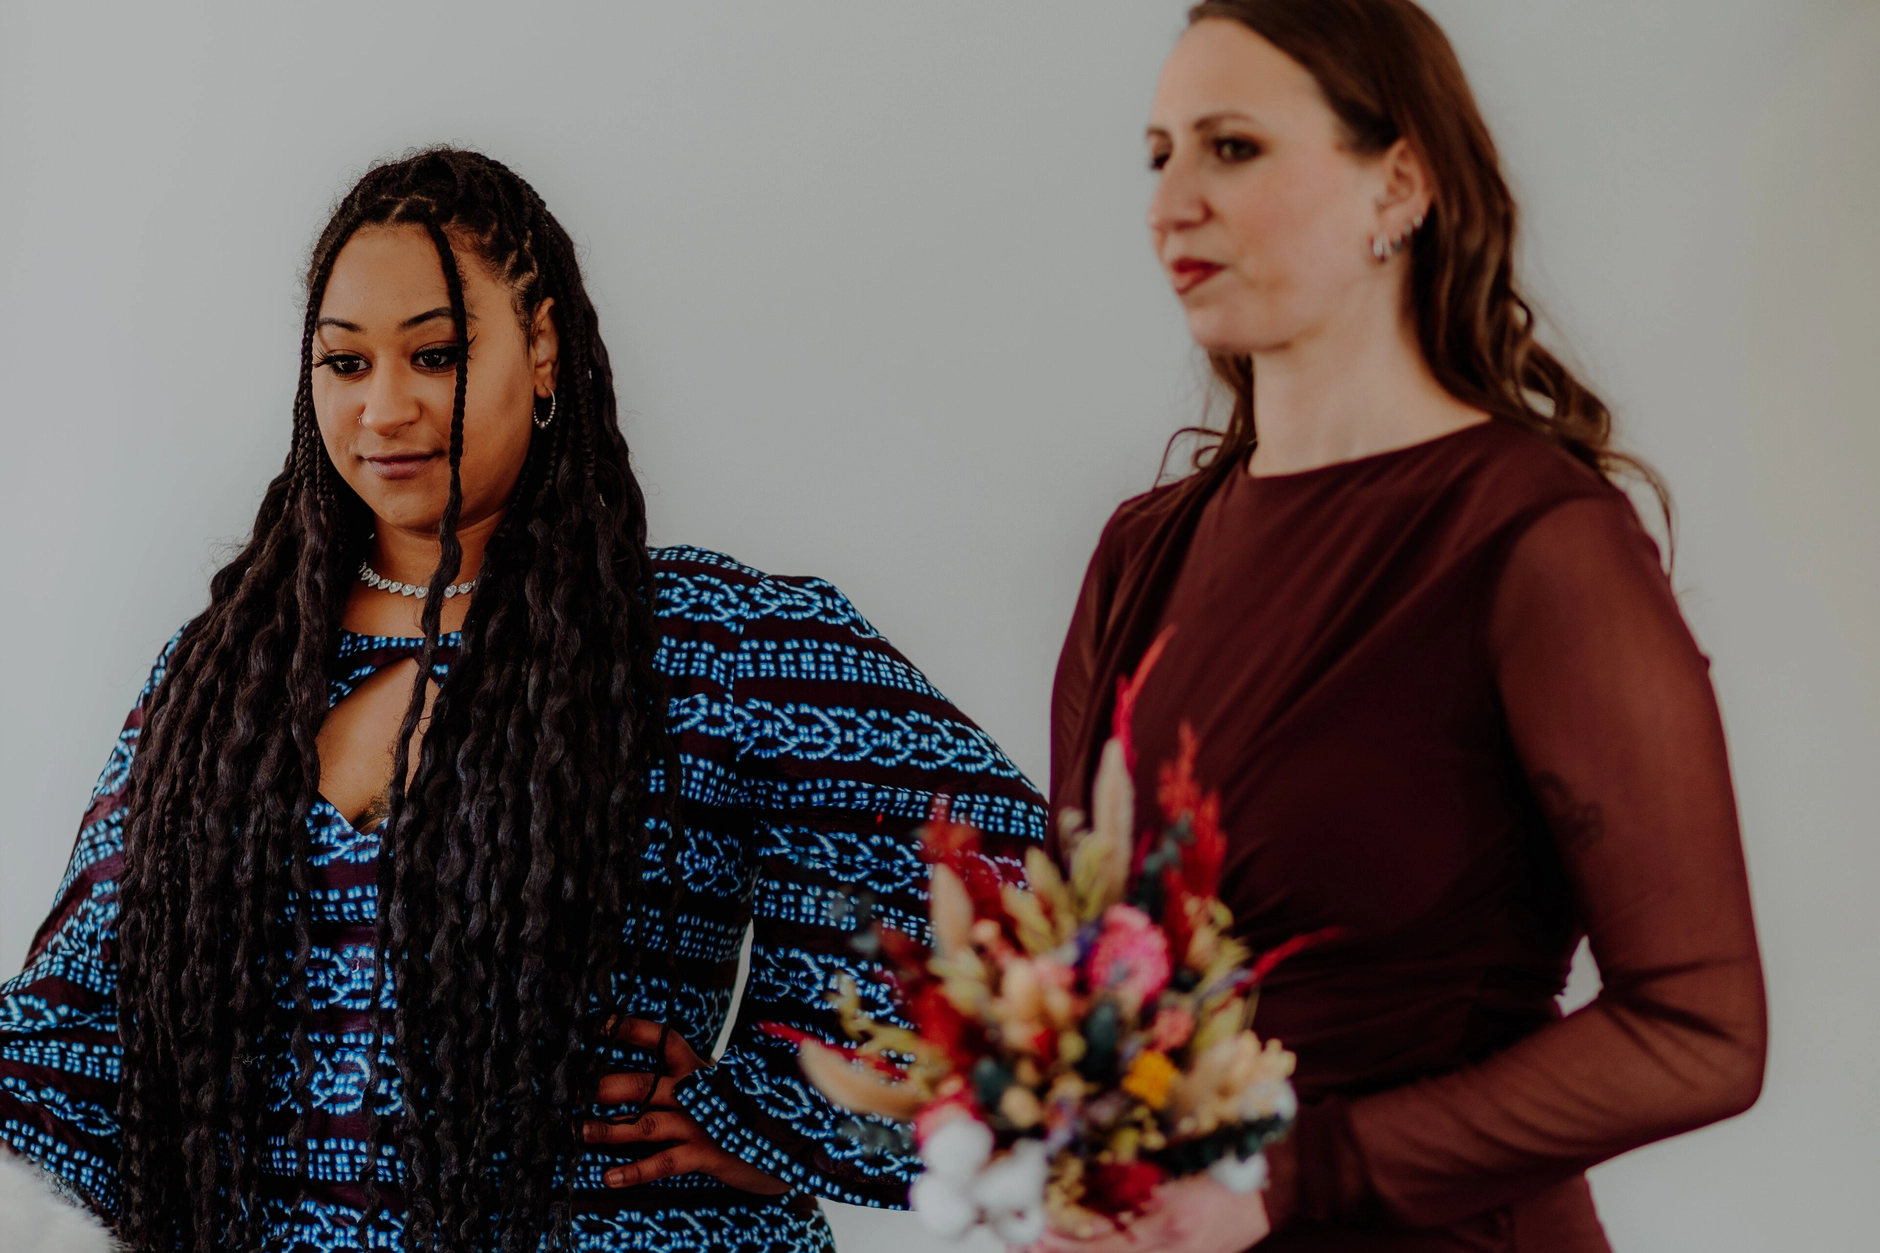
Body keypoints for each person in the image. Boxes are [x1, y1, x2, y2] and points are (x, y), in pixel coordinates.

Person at [0, 148, 1046, 1253]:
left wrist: (785, 1112)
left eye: (436, 354)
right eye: (344, 363)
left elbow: (1017, 895)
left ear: (540, 348)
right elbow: (76, 1028)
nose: (384, 406)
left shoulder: (709, 642)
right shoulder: (220, 679)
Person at [1039, 3, 1766, 1251]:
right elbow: (1092, 959)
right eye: (1156, 155)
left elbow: (1699, 1029)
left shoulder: (1534, 541)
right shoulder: (1139, 553)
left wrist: (1279, 1181)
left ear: (1400, 182)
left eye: (1231, 147)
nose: (1169, 204)